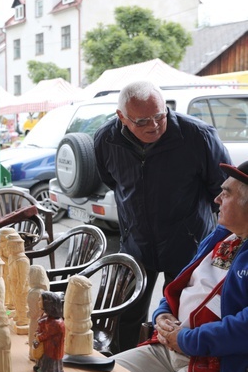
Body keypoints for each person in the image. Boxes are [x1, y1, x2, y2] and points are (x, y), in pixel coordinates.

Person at [113, 160, 248, 372]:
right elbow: (180, 286)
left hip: (223, 368)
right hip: (173, 345)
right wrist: (163, 314)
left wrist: (186, 339)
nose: (217, 198)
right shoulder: (221, 236)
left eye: (227, 192)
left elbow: (244, 329)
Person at [94, 80, 230, 352]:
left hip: (188, 245)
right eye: (142, 120)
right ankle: (125, 370)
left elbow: (224, 191)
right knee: (126, 315)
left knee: (180, 317)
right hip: (136, 244)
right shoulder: (106, 139)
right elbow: (113, 182)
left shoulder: (197, 136)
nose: (154, 125)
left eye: (160, 115)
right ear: (122, 117)